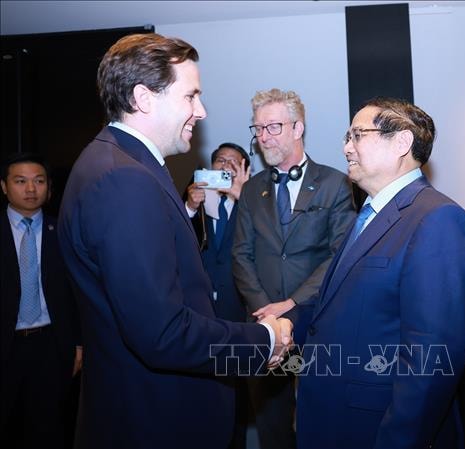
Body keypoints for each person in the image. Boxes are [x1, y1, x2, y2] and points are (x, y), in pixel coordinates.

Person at [57, 33, 292, 449]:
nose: (201, 111)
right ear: (143, 98)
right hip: (155, 420)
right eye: (190, 96)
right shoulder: (124, 179)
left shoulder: (117, 163)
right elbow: (162, 333)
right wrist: (265, 340)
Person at [292, 97, 465, 449]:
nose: (346, 147)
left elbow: (430, 358)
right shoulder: (368, 215)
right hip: (334, 417)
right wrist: (285, 323)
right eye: (347, 137)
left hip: (378, 427)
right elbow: (339, 304)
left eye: (357, 135)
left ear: (401, 142)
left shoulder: (437, 219)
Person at [232, 88, 356, 449]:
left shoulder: (335, 183)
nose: (263, 137)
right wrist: (266, 311)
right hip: (264, 325)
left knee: (322, 422)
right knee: (272, 425)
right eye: (258, 128)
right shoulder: (252, 190)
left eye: (273, 127)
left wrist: (291, 303)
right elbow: (241, 255)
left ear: (298, 128)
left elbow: (340, 255)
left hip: (317, 322)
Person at [0, 153, 82, 449]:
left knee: (49, 430)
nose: (31, 189)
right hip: (6, 345)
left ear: (49, 187)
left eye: (39, 181)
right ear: (4, 186)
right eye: (20, 181)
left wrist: (79, 343)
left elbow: (77, 292)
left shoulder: (63, 231)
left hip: (51, 345)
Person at [185, 142, 251, 449]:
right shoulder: (196, 199)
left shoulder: (253, 201)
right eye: (220, 160)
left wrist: (244, 197)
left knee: (236, 390)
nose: (225, 166)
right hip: (198, 309)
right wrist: (190, 207)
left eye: (233, 162)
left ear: (244, 169)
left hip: (238, 308)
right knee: (198, 387)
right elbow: (173, 240)